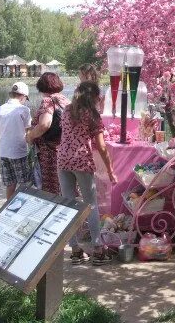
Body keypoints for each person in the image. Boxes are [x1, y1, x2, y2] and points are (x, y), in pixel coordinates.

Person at [56, 81, 117, 265]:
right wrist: (110, 170)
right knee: (91, 205)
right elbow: (101, 146)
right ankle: (98, 249)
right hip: (81, 161)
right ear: (93, 96)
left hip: (63, 159)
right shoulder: (92, 115)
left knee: (68, 204)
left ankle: (75, 250)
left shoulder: (67, 110)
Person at [26, 72, 69, 194]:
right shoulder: (65, 100)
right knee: (64, 187)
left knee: (50, 190)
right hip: (64, 148)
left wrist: (30, 135)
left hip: (49, 152)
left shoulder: (48, 101)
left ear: (42, 86)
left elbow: (45, 124)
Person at [0, 82, 32, 199]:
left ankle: (8, 210)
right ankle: (21, 210)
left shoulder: (1, 108)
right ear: (22, 96)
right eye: (26, 98)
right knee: (25, 183)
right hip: (18, 151)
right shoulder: (23, 110)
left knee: (10, 184)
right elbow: (29, 131)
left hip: (3, 151)